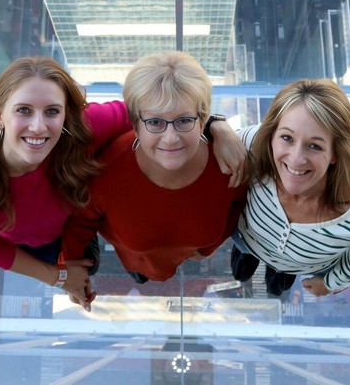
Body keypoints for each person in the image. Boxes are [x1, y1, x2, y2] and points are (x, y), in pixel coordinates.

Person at [0, 56, 245, 304]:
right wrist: (59, 277)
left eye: (52, 111)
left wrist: (217, 126)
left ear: (67, 115)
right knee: (90, 269)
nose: (38, 127)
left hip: (79, 216)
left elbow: (152, 109)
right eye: (23, 110)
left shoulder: (82, 129)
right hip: (34, 246)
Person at [62, 51, 248, 305]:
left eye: (184, 120)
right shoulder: (105, 170)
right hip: (133, 260)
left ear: (203, 119)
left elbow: (238, 206)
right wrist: (71, 267)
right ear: (135, 124)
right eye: (155, 123)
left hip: (187, 255)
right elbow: (79, 223)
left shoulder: (228, 164)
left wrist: (208, 249)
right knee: (139, 274)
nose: (170, 138)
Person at [231, 79, 350, 297]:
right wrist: (217, 126)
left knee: (278, 282)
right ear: (271, 135)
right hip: (248, 240)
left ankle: (281, 271)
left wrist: (332, 282)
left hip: (300, 266)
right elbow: (209, 142)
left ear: (336, 153)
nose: (296, 159)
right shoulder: (253, 144)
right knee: (243, 262)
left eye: (314, 146)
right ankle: (251, 255)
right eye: (286, 137)